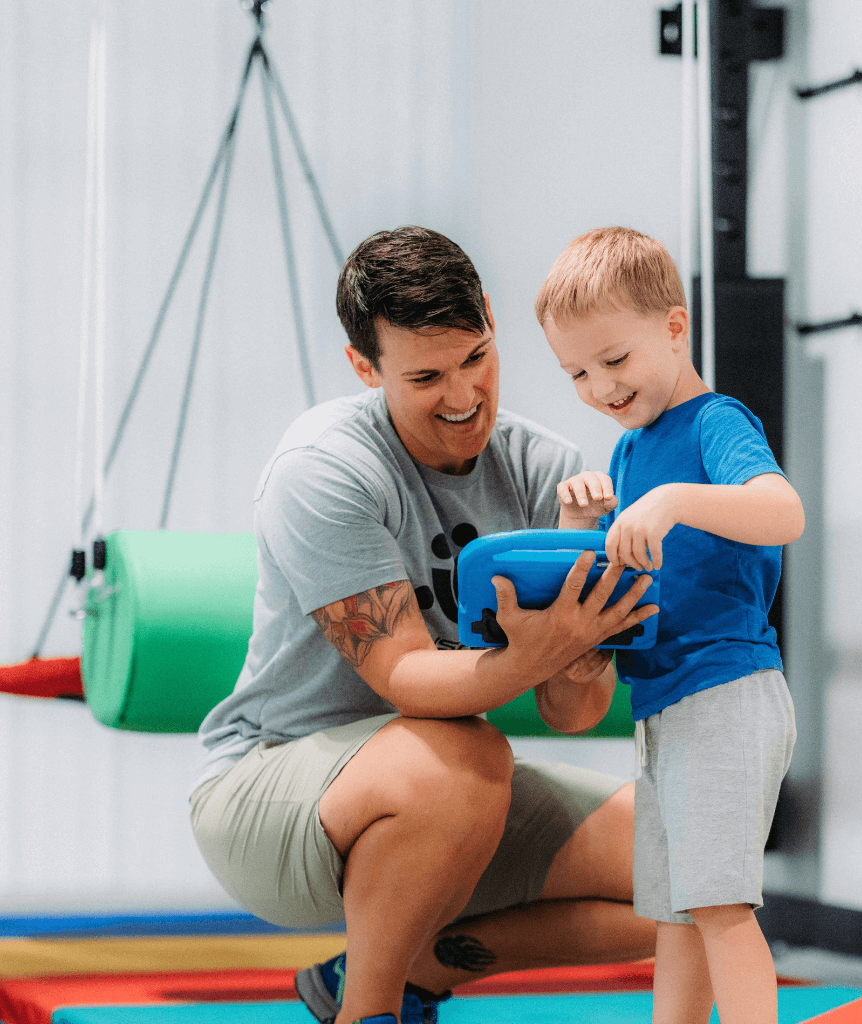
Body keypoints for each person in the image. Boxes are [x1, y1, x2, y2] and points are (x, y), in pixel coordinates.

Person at [189, 226, 663, 1024]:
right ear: (365, 369)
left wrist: (579, 652)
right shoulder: (324, 468)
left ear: (488, 318)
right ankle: (368, 1014)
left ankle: (408, 969)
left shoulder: (545, 469)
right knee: (460, 752)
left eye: (476, 356)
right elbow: (406, 678)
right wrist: (538, 648)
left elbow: (573, 714)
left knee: (690, 869)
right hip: (269, 792)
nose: (463, 396)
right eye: (426, 376)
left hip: (449, 793)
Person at [537, 226, 803, 1024]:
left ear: (675, 327)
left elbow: (782, 511)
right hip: (661, 708)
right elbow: (614, 591)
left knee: (719, 905)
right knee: (679, 915)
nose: (599, 387)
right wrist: (582, 525)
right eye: (577, 372)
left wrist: (675, 499)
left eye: (614, 361)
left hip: (726, 694)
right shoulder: (627, 454)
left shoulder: (715, 423)